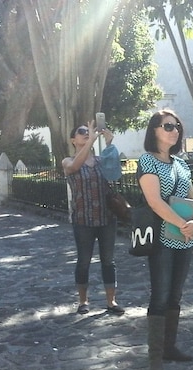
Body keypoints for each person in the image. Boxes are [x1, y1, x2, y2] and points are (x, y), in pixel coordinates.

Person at [137, 109, 193, 370]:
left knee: (175, 295)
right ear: (154, 130)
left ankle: (169, 347)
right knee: (160, 295)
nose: (173, 131)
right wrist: (181, 223)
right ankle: (155, 358)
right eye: (167, 126)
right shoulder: (147, 161)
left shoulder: (181, 164)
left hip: (183, 239)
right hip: (162, 240)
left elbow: (192, 197)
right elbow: (154, 201)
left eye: (176, 126)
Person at [61, 121, 124, 315]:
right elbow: (75, 167)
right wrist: (91, 141)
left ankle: (111, 301)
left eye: (88, 131)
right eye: (82, 132)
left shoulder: (99, 160)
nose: (86, 134)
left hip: (106, 218)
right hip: (83, 219)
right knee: (84, 260)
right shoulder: (67, 161)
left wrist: (109, 144)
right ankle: (83, 301)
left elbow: (115, 174)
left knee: (108, 260)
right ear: (73, 140)